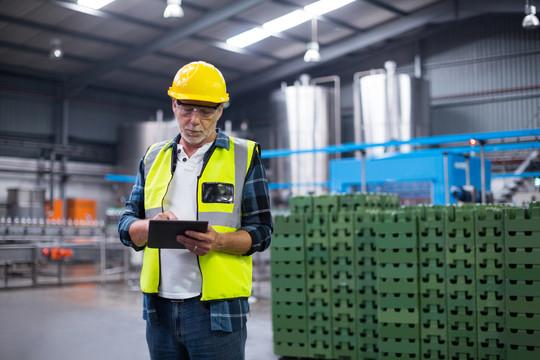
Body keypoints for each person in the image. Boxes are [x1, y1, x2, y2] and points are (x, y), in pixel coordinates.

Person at [118, 61, 273, 360]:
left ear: (220, 110)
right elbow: (126, 225)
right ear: (174, 105)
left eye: (206, 111)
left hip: (217, 313)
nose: (195, 121)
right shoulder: (152, 158)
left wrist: (219, 242)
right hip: (159, 311)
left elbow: (263, 232)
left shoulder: (244, 156)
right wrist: (149, 228)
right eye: (187, 109)